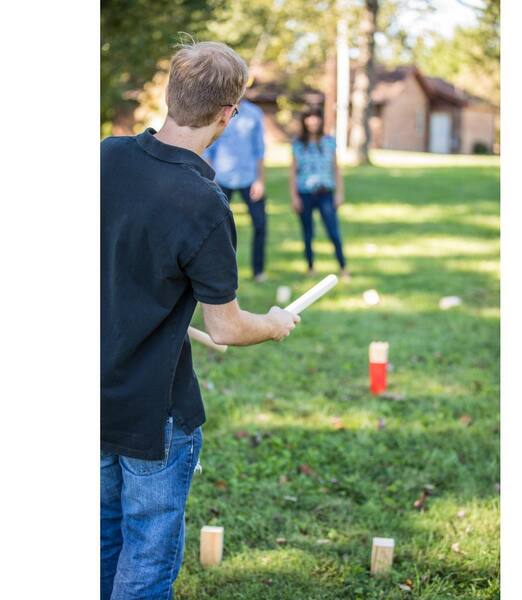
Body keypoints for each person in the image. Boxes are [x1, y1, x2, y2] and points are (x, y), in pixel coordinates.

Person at [101, 41, 299, 600]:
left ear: (168, 95)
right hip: (155, 413)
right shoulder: (204, 202)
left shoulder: (105, 158)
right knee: (146, 553)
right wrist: (276, 322)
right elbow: (227, 328)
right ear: (227, 115)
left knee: (98, 538)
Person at [204, 98, 268, 282]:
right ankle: (213, 273)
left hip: (249, 178)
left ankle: (259, 271)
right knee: (213, 228)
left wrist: (260, 180)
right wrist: (210, 181)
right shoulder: (217, 112)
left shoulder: (255, 113)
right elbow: (209, 148)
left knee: (260, 225)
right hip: (221, 178)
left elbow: (259, 150)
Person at [289, 107, 349, 278]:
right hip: (305, 194)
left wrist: (339, 193)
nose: (313, 121)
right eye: (309, 118)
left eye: (316, 117)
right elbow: (293, 172)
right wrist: (294, 196)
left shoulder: (329, 142)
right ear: (305, 121)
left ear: (321, 120)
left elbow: (336, 169)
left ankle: (343, 267)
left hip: (325, 193)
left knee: (333, 231)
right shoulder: (297, 144)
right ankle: (310, 267)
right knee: (307, 233)